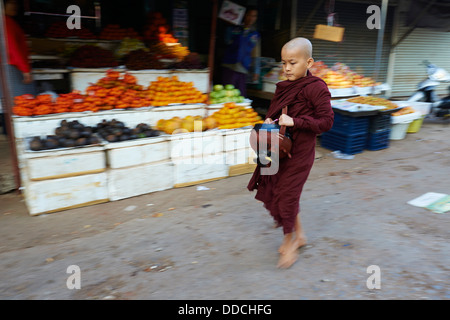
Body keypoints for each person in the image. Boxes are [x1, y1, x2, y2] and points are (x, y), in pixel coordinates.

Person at [247, 37, 334, 269]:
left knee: (287, 195)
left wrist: (295, 121)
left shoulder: (317, 88)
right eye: (283, 63)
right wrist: (270, 120)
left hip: (301, 153)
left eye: (292, 63)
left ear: (309, 62)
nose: (286, 68)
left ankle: (289, 241)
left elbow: (326, 122)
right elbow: (276, 112)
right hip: (280, 149)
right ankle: (301, 235)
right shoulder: (284, 86)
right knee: (280, 190)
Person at [1, 0, 36, 135]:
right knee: (19, 101)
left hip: (8, 65)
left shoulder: (7, 21)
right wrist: (25, 69)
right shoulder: (6, 23)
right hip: (12, 66)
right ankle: (18, 132)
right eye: (11, 3)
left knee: (7, 101)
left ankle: (8, 130)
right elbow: (12, 48)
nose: (15, 6)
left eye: (16, 3)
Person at [221, 6, 260, 97]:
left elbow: (256, 53)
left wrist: (256, 71)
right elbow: (226, 41)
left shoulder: (255, 34)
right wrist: (229, 26)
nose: (251, 18)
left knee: (240, 95)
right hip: (229, 65)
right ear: (244, 15)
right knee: (226, 95)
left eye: (254, 16)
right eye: (249, 15)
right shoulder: (234, 29)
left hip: (243, 67)